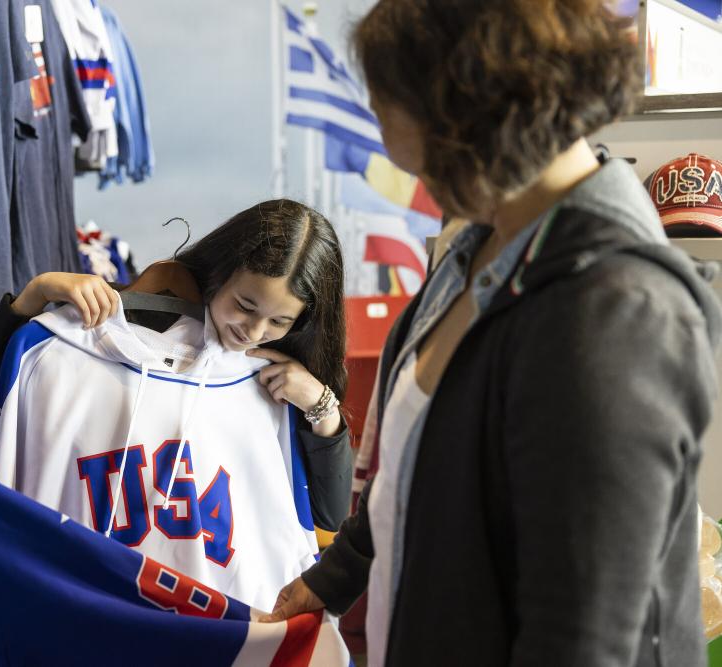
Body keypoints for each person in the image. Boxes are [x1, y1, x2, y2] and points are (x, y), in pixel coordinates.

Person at [260, 2, 721, 667]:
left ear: (467, 110)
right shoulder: (472, 254)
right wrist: (330, 579)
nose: (387, 146)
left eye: (393, 113)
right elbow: (417, 474)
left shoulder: (615, 313)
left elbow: (583, 633)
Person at [0, 198, 353, 539]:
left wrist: (322, 407)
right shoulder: (82, 333)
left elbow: (329, 514)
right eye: (245, 306)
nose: (253, 331)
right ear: (219, 274)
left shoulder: (279, 381)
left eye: (279, 322)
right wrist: (36, 294)